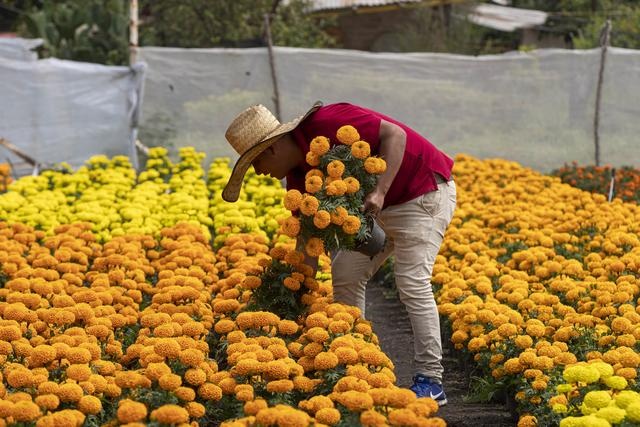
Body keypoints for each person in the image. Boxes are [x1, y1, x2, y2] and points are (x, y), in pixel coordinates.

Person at [222, 101, 456, 405]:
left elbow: (395, 136)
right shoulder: (298, 177)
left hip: (420, 193)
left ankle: (430, 380)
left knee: (411, 283)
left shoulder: (329, 121)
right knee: (345, 274)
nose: (260, 173)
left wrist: (380, 191)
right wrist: (295, 294)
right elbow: (307, 243)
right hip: (374, 212)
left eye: (255, 163)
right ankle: (354, 362)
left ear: (271, 150)